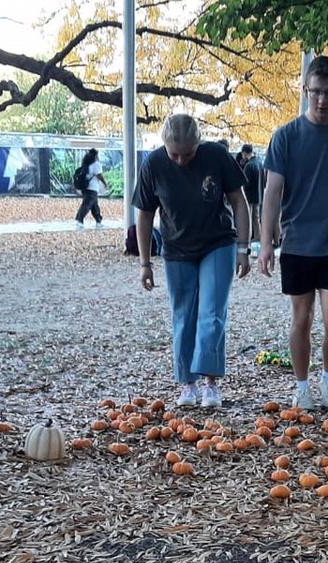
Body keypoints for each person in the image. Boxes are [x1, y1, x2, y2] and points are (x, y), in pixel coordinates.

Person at [258, 55, 328, 410]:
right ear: (305, 90)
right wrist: (265, 243)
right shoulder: (286, 137)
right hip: (298, 243)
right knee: (301, 318)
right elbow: (272, 192)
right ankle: (302, 386)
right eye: (316, 92)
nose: (323, 100)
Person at [133, 114, 250, 408]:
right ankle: (188, 383)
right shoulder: (153, 165)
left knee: (212, 313)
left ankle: (210, 383)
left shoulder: (217, 156)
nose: (182, 160)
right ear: (164, 146)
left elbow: (239, 201)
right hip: (176, 249)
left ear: (199, 143)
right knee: (183, 316)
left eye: (188, 153)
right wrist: (145, 262)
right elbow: (145, 215)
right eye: (175, 154)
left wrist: (243, 248)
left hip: (217, 243)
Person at [236, 144, 261, 250]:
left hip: (249, 196)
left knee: (248, 219)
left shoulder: (249, 166)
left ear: (245, 153)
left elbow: (244, 183)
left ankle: (249, 238)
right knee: (256, 218)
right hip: (258, 195)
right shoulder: (259, 162)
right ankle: (258, 237)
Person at [75, 149, 107, 226]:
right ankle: (79, 220)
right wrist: (105, 183)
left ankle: (98, 221)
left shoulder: (86, 163)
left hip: (85, 187)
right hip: (92, 188)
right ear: (96, 155)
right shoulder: (96, 164)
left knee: (94, 205)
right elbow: (99, 175)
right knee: (87, 205)